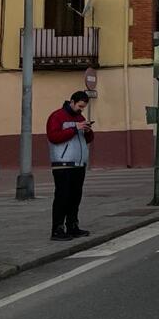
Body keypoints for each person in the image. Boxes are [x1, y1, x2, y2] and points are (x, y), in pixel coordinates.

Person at [46, 91, 94, 241]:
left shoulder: (80, 117)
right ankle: (57, 229)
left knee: (75, 196)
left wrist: (88, 131)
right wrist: (74, 129)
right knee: (62, 196)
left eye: (83, 107)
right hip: (63, 164)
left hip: (79, 163)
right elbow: (53, 137)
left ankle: (73, 225)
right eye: (79, 106)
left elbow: (88, 139)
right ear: (72, 102)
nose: (81, 110)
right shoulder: (57, 116)